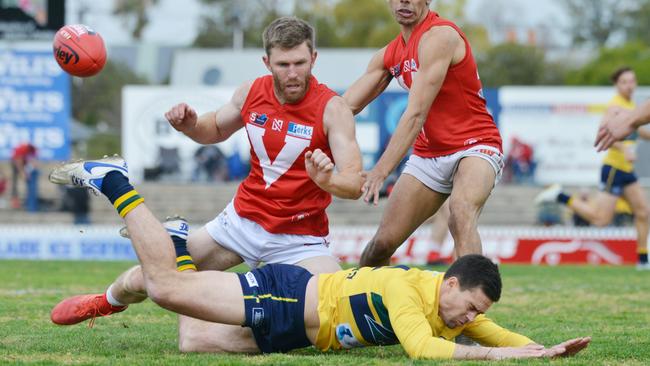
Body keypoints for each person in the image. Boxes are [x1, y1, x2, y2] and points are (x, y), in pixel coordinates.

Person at [48, 158, 591, 359]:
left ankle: (180, 247)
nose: (470, 321)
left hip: (300, 331)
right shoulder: (409, 292)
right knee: (165, 287)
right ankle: (114, 180)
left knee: (192, 338)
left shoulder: (456, 308)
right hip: (287, 297)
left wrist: (544, 351)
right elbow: (424, 351)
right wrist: (503, 359)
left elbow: (496, 333)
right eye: (468, 308)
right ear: (449, 284)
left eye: (474, 314)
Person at [49, 17, 364, 353]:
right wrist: (189, 125)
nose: (292, 73)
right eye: (283, 64)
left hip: (299, 243)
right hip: (241, 224)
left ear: (313, 59)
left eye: (300, 63)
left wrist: (329, 180)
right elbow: (212, 129)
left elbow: (354, 182)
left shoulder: (333, 108)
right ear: (266, 62)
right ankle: (108, 300)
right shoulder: (250, 92)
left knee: (337, 311)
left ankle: (175, 244)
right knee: (154, 279)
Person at [342, 0, 504, 265]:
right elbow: (346, 107)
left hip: (476, 145)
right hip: (429, 154)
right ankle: (362, 303)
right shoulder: (389, 54)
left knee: (460, 213)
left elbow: (417, 114)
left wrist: (381, 171)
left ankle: (473, 303)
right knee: (380, 245)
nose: (404, 1)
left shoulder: (441, 36)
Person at [536, 67, 650, 270]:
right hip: (614, 169)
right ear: (617, 85)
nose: (629, 85)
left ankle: (642, 260)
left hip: (627, 171)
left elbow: (637, 129)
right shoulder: (615, 106)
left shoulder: (632, 105)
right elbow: (605, 133)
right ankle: (560, 195)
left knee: (643, 212)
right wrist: (624, 148)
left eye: (632, 81)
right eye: (624, 81)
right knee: (600, 219)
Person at [10, 142, 37, 209]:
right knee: (15, 183)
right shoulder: (23, 149)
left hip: (23, 162)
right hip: (15, 162)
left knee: (28, 181)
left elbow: (33, 160)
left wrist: (31, 168)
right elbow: (18, 161)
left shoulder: (32, 150)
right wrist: (22, 173)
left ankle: (28, 201)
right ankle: (15, 201)